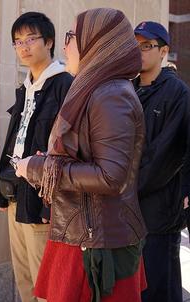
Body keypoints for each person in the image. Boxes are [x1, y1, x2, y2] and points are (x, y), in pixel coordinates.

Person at [16, 8, 147, 302]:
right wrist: (51, 161)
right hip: (83, 230)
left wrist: (38, 168)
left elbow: (110, 176)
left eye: (71, 36)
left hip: (97, 242)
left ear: (95, 43)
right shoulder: (96, 89)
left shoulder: (110, 94)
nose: (65, 45)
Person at [0, 12, 73, 302]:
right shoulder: (25, 87)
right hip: (16, 192)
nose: (24, 46)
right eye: (18, 41)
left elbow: (69, 148)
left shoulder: (64, 84)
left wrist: (51, 204)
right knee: (24, 275)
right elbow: (11, 142)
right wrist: (0, 194)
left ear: (49, 41)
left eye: (31, 39)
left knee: (45, 281)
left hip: (42, 198)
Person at [132, 21, 190, 302]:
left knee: (160, 288)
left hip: (159, 213)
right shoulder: (127, 89)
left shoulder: (177, 93)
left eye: (146, 46)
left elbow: (165, 156)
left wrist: (123, 186)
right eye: (134, 45)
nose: (138, 51)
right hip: (127, 210)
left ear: (164, 50)